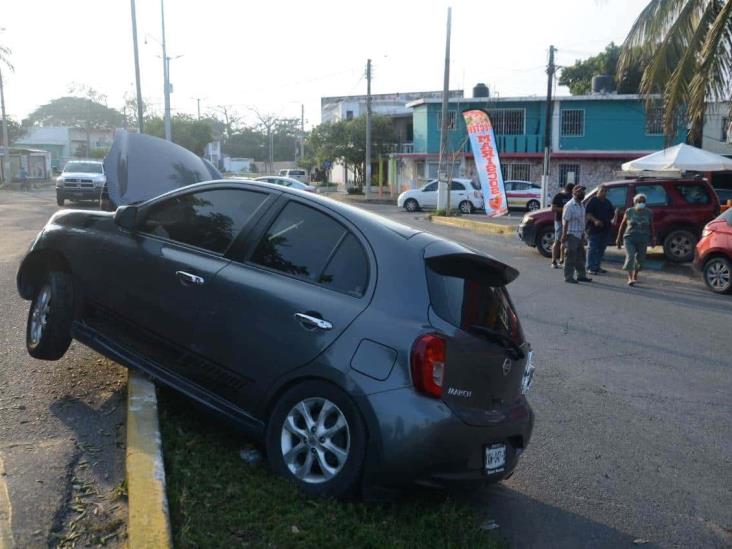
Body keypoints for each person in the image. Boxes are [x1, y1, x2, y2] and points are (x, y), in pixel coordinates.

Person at [616, 193, 656, 286]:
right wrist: (618, 238)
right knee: (630, 257)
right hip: (629, 237)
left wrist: (653, 238)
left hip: (643, 238)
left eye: (643, 201)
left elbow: (652, 225)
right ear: (635, 202)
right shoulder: (629, 211)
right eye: (639, 201)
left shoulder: (648, 212)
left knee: (641, 260)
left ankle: (635, 275)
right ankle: (630, 278)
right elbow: (622, 225)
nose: (641, 203)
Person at [561, 185, 592, 284]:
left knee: (580, 256)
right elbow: (565, 221)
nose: (581, 193)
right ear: (573, 193)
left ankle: (581, 275)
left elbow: (582, 221)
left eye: (583, 191)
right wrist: (564, 235)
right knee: (571, 256)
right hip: (571, 234)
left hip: (579, 234)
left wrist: (583, 234)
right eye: (579, 191)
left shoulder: (581, 205)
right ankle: (568, 277)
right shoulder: (570, 205)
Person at [585, 184, 616, 275]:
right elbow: (588, 214)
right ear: (597, 191)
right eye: (602, 191)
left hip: (605, 230)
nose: (603, 193)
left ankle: (597, 266)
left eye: (605, 191)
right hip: (593, 230)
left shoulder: (607, 202)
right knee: (592, 249)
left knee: (601, 249)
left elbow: (612, 214)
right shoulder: (593, 201)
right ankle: (590, 267)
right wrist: (595, 220)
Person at [550, 182, 575, 268]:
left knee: (566, 242)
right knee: (558, 240)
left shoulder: (571, 197)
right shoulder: (558, 196)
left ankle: (562, 260)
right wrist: (564, 209)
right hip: (559, 221)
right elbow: (552, 208)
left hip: (569, 221)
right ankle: (553, 261)